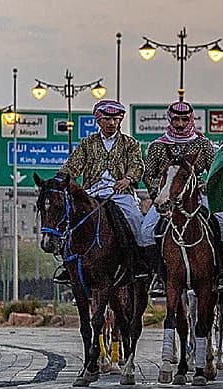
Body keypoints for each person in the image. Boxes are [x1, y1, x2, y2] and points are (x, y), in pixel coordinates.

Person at [53, 99, 150, 284]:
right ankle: (68, 265)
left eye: (115, 119)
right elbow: (73, 165)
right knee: (71, 219)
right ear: (99, 120)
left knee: (137, 220)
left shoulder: (130, 143)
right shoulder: (87, 143)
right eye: (107, 119)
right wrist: (59, 178)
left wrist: (127, 179)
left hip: (120, 194)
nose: (111, 123)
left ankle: (140, 262)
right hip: (92, 192)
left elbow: (137, 165)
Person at [142, 101, 223, 295]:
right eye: (176, 119)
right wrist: (159, 193)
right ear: (170, 119)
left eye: (184, 119)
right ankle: (158, 275)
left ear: (190, 119)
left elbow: (215, 170)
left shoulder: (202, 143)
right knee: (146, 229)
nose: (180, 124)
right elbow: (148, 174)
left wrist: (208, 185)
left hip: (196, 194)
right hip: (167, 198)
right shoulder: (158, 146)